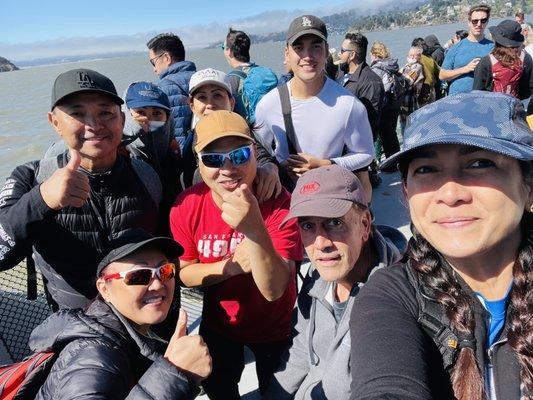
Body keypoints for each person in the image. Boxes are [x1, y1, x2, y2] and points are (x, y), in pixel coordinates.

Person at [349, 91, 533, 400]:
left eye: (479, 163)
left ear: (528, 185)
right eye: (426, 169)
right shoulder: (392, 296)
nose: (449, 194)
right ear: (406, 193)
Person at [0, 69, 161, 310]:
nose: (94, 125)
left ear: (122, 120)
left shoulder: (146, 175)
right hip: (75, 327)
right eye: (77, 113)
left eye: (106, 113)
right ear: (55, 123)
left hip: (144, 318)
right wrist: (41, 199)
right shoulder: (30, 177)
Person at [170, 110, 303, 399]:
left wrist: (255, 231)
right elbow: (186, 273)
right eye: (214, 159)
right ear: (199, 164)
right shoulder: (186, 206)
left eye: (240, 155)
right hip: (219, 327)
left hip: (275, 327)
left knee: (277, 394)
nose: (228, 168)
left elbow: (275, 289)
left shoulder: (279, 203)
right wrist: (229, 267)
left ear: (256, 155)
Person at [264, 165, 404, 400]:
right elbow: (300, 348)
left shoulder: (397, 302)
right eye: (308, 226)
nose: (320, 244)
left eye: (334, 223)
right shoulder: (318, 277)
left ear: (365, 224)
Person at [31, 230, 212, 399]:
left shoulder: (132, 335)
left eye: (165, 271)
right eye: (138, 276)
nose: (157, 285)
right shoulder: (93, 356)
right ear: (104, 289)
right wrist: (174, 376)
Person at [255, 15, 374, 203]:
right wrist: (270, 166)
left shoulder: (349, 105)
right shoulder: (268, 104)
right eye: (299, 47)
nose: (307, 56)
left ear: (326, 51)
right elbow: (259, 147)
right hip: (285, 201)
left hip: (329, 199)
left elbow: (366, 154)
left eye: (316, 46)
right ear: (287, 53)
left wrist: (327, 164)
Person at [183, 68, 282, 202]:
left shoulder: (243, 133)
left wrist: (269, 168)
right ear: (192, 106)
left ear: (232, 102)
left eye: (217, 95)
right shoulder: (189, 144)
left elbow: (260, 155)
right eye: (202, 97)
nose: (210, 104)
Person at [123, 81, 183, 233]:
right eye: (140, 113)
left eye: (156, 113)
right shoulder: (119, 151)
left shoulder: (173, 153)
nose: (148, 120)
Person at [147, 33, 196, 147]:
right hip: (203, 148)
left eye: (153, 62)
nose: (154, 69)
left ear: (166, 58)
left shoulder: (162, 87)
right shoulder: (200, 79)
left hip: (180, 154)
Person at [223, 28, 278, 124]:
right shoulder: (264, 73)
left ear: (229, 51)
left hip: (249, 132)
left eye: (223, 47)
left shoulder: (230, 80)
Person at [440, 4, 494, 95]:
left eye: (483, 20)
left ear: (487, 22)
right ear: (469, 22)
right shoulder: (456, 48)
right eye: (475, 21)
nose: (479, 24)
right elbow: (442, 75)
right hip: (457, 100)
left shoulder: (492, 48)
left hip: (483, 99)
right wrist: (465, 69)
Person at [473, 20, 533, 99]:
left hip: (493, 107)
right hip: (516, 105)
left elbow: (477, 91)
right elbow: (530, 87)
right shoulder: (525, 58)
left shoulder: (486, 61)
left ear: (496, 40)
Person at [370, 41, 401, 161]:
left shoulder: (377, 68)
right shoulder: (391, 64)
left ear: (374, 54)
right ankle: (397, 160)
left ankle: (391, 163)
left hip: (385, 104)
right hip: (395, 102)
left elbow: (376, 88)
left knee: (385, 134)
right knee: (392, 133)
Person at [400, 46, 425, 134]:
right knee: (403, 122)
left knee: (410, 123)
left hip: (410, 99)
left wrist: (399, 76)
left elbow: (408, 80)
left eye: (411, 55)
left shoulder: (417, 66)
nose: (409, 57)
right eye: (409, 55)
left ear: (416, 56)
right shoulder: (408, 65)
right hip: (403, 99)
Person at [412, 37, 441, 105]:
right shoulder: (430, 58)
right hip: (432, 89)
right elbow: (439, 71)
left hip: (422, 90)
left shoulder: (417, 58)